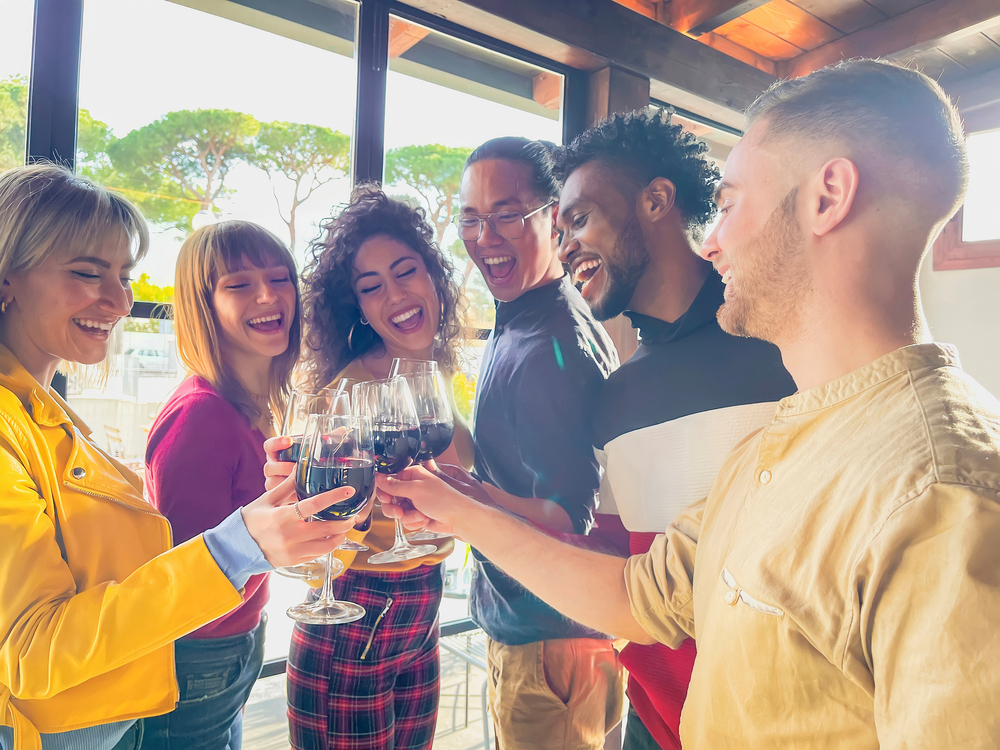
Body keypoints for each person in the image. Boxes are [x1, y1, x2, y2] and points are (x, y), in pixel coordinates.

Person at [376, 59, 1000, 748]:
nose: (712, 239)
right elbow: (638, 597)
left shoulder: (945, 495)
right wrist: (454, 504)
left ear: (829, 196)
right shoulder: (777, 448)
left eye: (730, 204)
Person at [0, 165, 355, 750]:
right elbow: (33, 648)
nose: (118, 300)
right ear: (7, 278)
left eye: (123, 275)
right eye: (88, 273)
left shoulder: (45, 414)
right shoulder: (191, 414)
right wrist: (247, 545)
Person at [552, 109, 795, 749]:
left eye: (579, 218)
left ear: (657, 199)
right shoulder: (614, 398)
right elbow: (618, 569)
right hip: (654, 726)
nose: (565, 244)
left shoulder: (787, 341)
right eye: (560, 231)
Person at [264, 185, 475, 750]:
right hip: (358, 612)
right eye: (370, 286)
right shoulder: (352, 395)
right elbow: (320, 532)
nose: (395, 295)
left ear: (434, 276)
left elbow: (460, 491)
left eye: (406, 271)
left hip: (421, 602)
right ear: (357, 306)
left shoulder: (433, 376)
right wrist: (336, 517)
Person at [457, 137, 623, 749]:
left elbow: (566, 515)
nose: (485, 236)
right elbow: (518, 462)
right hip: (546, 630)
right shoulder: (524, 317)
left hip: (551, 643)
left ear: (553, 218)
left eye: (505, 214)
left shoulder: (551, 343)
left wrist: (460, 501)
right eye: (471, 218)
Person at [140, 221, 301, 749]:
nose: (268, 295)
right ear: (201, 305)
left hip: (235, 638)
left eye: (280, 278)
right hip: (200, 652)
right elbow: (188, 572)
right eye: (239, 284)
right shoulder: (202, 417)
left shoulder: (248, 407)